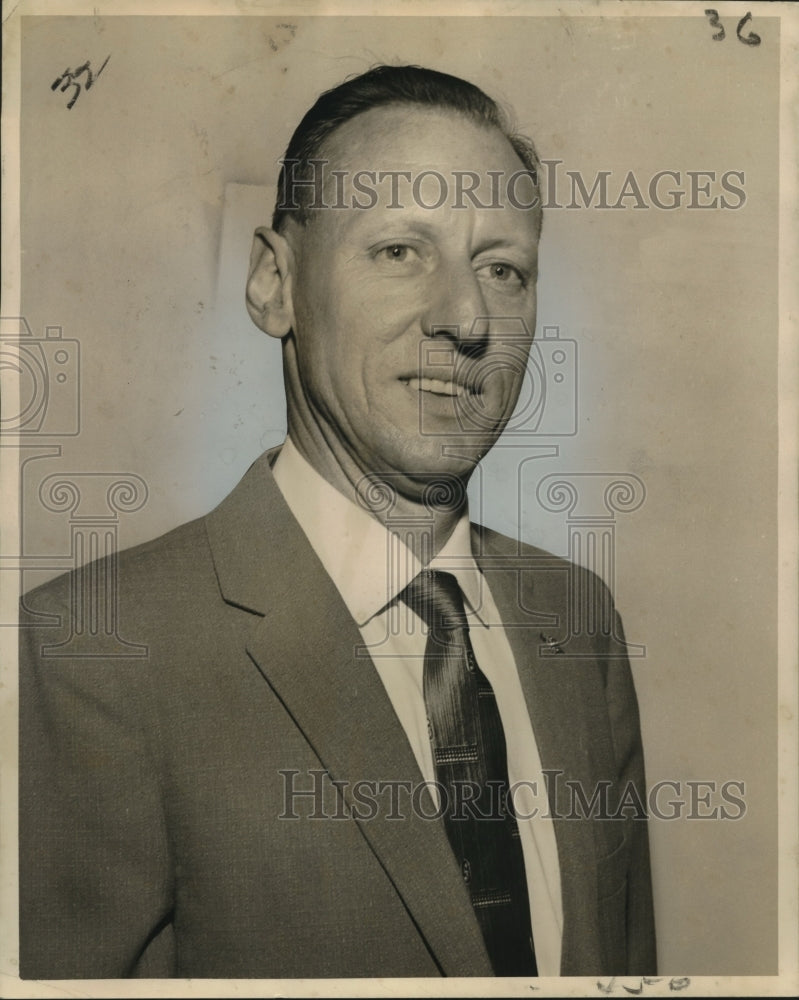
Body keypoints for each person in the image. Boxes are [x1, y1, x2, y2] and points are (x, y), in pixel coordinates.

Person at [19, 64, 656, 979]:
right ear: (274, 283)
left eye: (502, 269)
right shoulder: (91, 652)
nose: (467, 318)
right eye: (399, 251)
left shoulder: (577, 621)